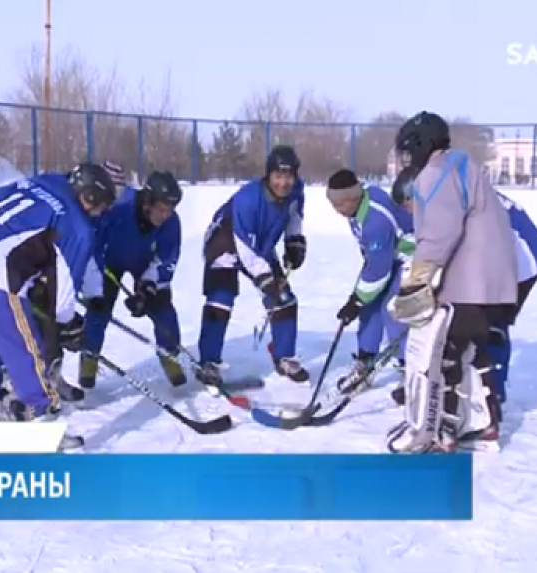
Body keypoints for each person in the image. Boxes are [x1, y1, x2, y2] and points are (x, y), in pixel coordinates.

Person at [0, 163, 116, 448]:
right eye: (102, 206)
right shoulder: (78, 227)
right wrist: (69, 324)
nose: (101, 213)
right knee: (26, 348)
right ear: (91, 197)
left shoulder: (38, 183)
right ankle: (41, 423)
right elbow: (63, 295)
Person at [386, 111, 518, 454]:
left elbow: (438, 233)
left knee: (443, 350)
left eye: (409, 150)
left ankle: (442, 430)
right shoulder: (462, 164)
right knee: (472, 348)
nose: (408, 158)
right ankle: (483, 424)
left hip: (469, 280)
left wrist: (417, 280)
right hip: (495, 280)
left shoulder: (434, 174)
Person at [197, 144, 309, 386]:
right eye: (278, 176)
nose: (283, 183)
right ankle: (209, 362)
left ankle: (284, 356)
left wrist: (294, 241)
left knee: (284, 299)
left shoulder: (296, 191)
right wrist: (265, 278)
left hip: (260, 244)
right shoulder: (247, 198)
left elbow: (294, 216)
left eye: (289, 176)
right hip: (225, 242)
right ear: (268, 175)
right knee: (221, 300)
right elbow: (244, 248)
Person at [76, 171, 186, 395]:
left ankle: (170, 354)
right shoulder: (118, 208)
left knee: (163, 308)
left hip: (144, 264)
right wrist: (93, 280)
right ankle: (89, 357)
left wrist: (148, 286)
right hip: (109, 263)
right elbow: (93, 243)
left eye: (170, 209)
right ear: (147, 202)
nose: (166, 215)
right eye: (161, 209)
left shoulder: (171, 223)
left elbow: (166, 257)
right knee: (99, 309)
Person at [324, 169, 407, 392]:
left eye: (340, 204)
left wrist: (355, 300)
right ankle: (365, 361)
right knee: (369, 307)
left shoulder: (375, 218)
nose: (337, 211)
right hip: (387, 257)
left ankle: (409, 368)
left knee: (394, 309)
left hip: (411, 257)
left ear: (353, 197)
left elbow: (379, 270)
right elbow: (374, 258)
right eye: (334, 205)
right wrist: (361, 300)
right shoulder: (357, 208)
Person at [486, 192, 537, 403]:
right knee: (487, 320)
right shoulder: (470, 187)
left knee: (491, 323)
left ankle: (493, 392)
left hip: (523, 260)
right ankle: (491, 388)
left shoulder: (468, 195)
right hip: (520, 252)